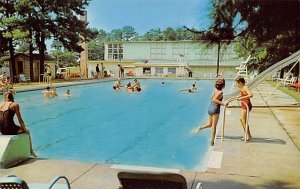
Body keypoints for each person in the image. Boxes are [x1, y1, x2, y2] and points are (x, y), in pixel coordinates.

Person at [0, 91, 36, 157]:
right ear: (12, 98)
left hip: (2, 131)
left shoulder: (0, 104)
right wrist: (25, 130)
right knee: (28, 132)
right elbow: (20, 120)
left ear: (4, 98)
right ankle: (31, 151)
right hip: (10, 130)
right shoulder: (14, 105)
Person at [193, 79, 226, 146]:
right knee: (214, 126)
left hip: (210, 108)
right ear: (223, 86)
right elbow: (214, 99)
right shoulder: (220, 92)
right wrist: (223, 103)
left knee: (210, 124)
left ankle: (200, 128)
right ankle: (212, 140)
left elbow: (211, 98)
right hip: (215, 109)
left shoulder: (215, 90)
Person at [235, 76, 253, 141]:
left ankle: (247, 135)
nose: (236, 84)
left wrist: (241, 98)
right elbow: (244, 95)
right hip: (244, 104)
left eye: (236, 83)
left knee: (242, 119)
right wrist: (239, 96)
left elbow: (251, 95)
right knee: (243, 120)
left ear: (240, 82)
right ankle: (249, 135)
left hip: (246, 105)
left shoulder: (245, 87)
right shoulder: (242, 88)